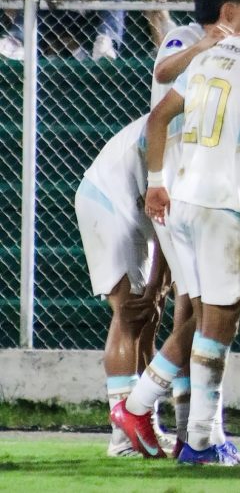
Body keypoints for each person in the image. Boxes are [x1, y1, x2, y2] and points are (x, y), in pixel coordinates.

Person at [112, 0, 240, 466]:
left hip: (183, 200)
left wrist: (156, 183)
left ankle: (157, 415)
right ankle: (196, 438)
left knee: (203, 318)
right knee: (221, 322)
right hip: (226, 207)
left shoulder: (211, 55)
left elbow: (158, 119)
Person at [116, 0, 240, 459]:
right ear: (229, 9)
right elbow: (163, 72)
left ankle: (189, 429)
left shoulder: (236, 51)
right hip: (178, 184)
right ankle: (161, 417)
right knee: (201, 309)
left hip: (195, 183)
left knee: (195, 306)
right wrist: (207, 45)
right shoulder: (186, 38)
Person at [74, 114, 167, 457]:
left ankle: (145, 423)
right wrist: (155, 286)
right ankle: (122, 437)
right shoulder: (185, 123)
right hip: (109, 198)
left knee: (149, 319)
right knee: (129, 312)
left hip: (136, 207)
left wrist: (158, 288)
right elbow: (168, 218)